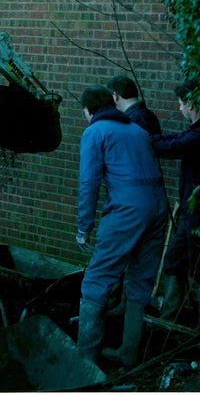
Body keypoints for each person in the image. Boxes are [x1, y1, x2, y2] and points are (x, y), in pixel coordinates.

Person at [75, 85, 168, 366]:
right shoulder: (139, 131)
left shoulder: (95, 132)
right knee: (139, 282)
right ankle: (129, 353)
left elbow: (89, 182)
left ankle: (85, 361)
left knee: (96, 280)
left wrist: (84, 227)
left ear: (89, 110)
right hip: (158, 207)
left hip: (128, 209)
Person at [152, 80, 200, 328]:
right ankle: (183, 322)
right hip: (197, 210)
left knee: (192, 265)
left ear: (191, 104)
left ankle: (194, 326)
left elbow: (176, 144)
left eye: (181, 104)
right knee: (185, 262)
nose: (179, 108)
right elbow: (178, 138)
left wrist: (145, 142)